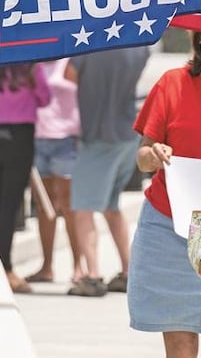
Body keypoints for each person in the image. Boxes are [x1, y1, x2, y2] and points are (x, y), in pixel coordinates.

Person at [128, 19, 201, 357]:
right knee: (180, 347)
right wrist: (155, 154)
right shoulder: (172, 83)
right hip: (169, 227)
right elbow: (142, 158)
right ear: (197, 37)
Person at [66, 46, 151, 297]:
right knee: (112, 207)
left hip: (97, 134)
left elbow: (68, 76)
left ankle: (92, 276)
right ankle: (127, 270)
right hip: (127, 133)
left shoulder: (88, 43)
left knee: (83, 208)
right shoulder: (139, 46)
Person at [0, 63, 52, 293]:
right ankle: (5, 268)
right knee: (10, 206)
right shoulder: (30, 66)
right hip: (20, 136)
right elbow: (45, 98)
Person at [26, 58, 86, 285]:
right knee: (44, 207)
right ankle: (47, 266)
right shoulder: (35, 63)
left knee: (69, 206)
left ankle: (78, 265)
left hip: (66, 140)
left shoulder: (70, 61)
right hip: (38, 139)